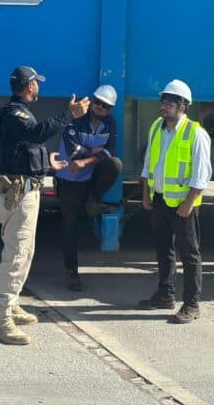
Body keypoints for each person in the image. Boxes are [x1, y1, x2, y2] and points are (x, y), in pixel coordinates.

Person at [0, 65, 89, 345]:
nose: (39, 87)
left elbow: (23, 151)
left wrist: (48, 163)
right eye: (36, 83)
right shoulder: (15, 114)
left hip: (25, 189)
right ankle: (2, 321)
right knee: (16, 254)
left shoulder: (18, 113)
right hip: (19, 194)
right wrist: (70, 115)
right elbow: (36, 133)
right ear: (29, 86)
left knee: (25, 251)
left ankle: (13, 304)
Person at [138, 79, 211, 324]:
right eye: (163, 101)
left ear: (183, 106)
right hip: (160, 200)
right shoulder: (157, 127)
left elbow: (201, 174)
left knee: (189, 254)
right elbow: (149, 163)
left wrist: (189, 203)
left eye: (170, 101)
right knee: (163, 250)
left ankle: (191, 304)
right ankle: (165, 295)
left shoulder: (195, 133)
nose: (164, 105)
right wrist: (146, 194)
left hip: (183, 205)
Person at [55, 83, 123, 291]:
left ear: (110, 109)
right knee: (70, 225)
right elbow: (72, 150)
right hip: (69, 179)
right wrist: (95, 151)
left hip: (88, 177)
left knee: (115, 165)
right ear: (91, 102)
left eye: (104, 105)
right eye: (97, 103)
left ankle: (92, 200)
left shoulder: (110, 123)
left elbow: (110, 152)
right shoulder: (76, 121)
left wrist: (86, 160)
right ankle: (71, 271)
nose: (99, 107)